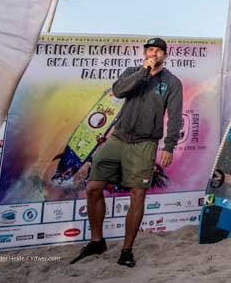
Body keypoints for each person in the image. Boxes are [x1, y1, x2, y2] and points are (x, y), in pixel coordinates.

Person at [72, 37, 183, 268]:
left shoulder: (172, 82)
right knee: (93, 187)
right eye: (150, 50)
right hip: (118, 138)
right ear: (144, 53)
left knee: (138, 194)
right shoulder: (133, 72)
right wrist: (143, 72)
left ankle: (126, 250)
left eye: (158, 51)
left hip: (145, 143)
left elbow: (175, 116)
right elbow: (118, 91)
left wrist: (169, 146)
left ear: (165, 55)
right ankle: (97, 241)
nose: (154, 54)